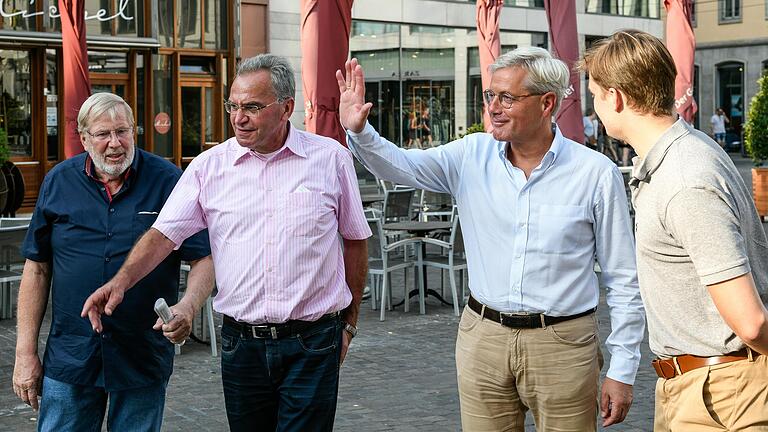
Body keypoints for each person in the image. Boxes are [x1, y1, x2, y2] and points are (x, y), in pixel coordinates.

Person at [337, 47, 644, 431]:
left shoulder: (595, 173)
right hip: (483, 337)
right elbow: (402, 167)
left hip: (564, 344)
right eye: (490, 96)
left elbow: (624, 279)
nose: (493, 108)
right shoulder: (471, 155)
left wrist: (623, 368)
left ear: (547, 102)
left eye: (507, 98)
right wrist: (359, 131)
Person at [81, 54, 371, 432]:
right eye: (232, 106)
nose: (238, 117)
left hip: (312, 342)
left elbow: (355, 241)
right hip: (241, 344)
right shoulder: (208, 167)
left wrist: (348, 325)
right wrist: (119, 282)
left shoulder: (330, 159)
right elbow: (162, 236)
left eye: (252, 106)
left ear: (286, 108)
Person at [582, 30, 768, 431]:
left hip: (722, 392)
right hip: (697, 384)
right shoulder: (683, 152)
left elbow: (750, 322)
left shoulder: (685, 179)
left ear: (615, 97)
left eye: (595, 94)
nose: (595, 105)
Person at [12, 92, 213, 431]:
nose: (115, 143)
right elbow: (37, 269)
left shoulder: (167, 180)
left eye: (123, 131)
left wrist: (189, 306)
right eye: (103, 134)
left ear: (134, 131)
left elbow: (203, 258)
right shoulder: (58, 182)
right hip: (72, 355)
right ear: (85, 138)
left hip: (141, 354)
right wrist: (24, 353)